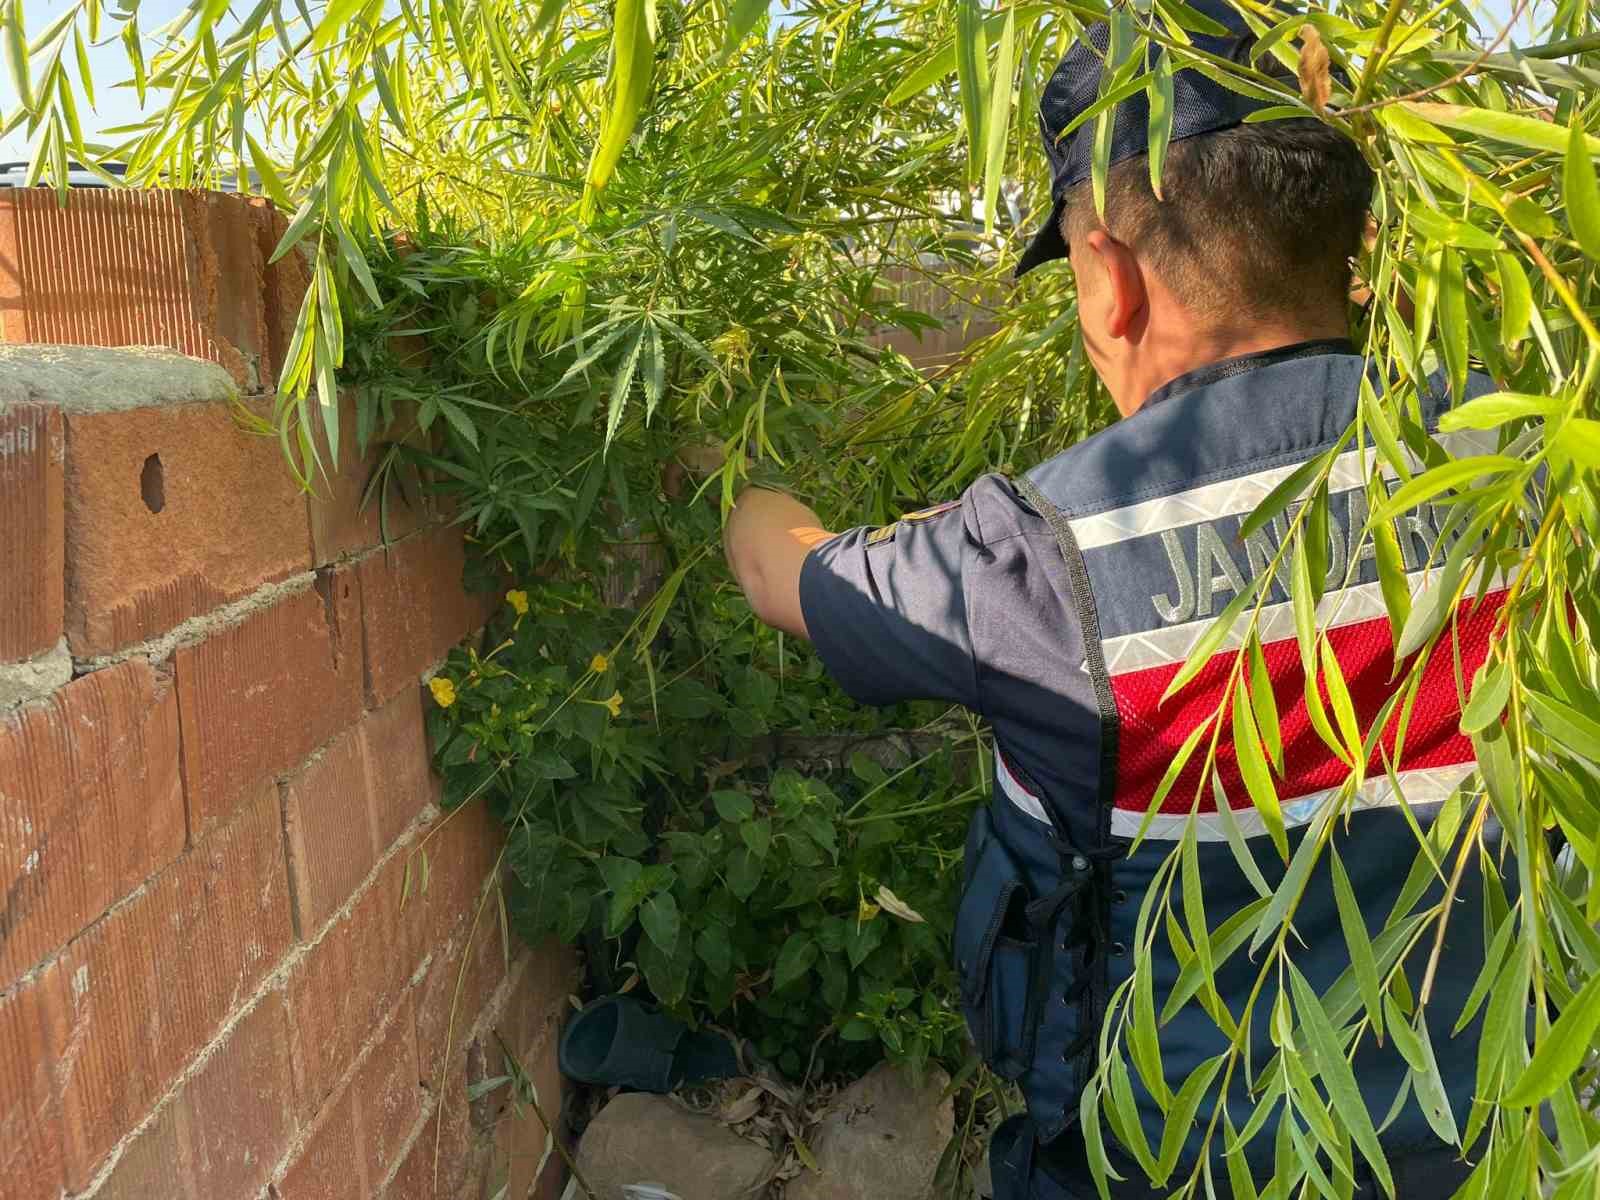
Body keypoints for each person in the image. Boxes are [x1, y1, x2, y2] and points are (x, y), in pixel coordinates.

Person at [718, 3, 1501, 1196]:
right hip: (1478, 1145)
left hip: (1153, 1164)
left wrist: (751, 491)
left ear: (1107, 278)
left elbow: (781, 569)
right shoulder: (1525, 472)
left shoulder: (1037, 556)